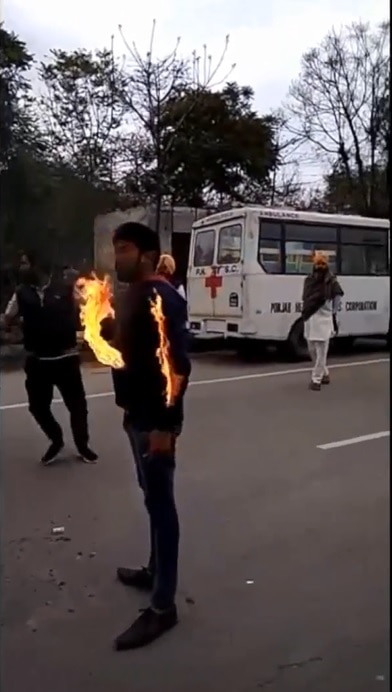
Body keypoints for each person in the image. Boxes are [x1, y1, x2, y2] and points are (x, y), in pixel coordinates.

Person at [101, 222, 191, 651]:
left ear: (148, 254)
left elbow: (176, 369)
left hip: (154, 424)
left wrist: (165, 426)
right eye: (115, 249)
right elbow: (130, 349)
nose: (116, 257)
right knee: (152, 502)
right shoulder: (134, 294)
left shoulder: (163, 297)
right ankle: (155, 571)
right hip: (135, 416)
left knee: (162, 505)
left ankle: (162, 607)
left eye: (124, 249)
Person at [4, 252, 97, 464]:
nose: (22, 267)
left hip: (66, 359)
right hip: (38, 362)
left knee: (77, 406)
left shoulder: (65, 289)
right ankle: (56, 440)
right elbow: (8, 318)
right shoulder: (21, 293)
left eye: (26, 263)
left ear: (38, 266)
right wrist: (12, 327)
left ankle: (83, 446)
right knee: (37, 407)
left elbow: (88, 306)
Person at [301, 251, 344, 391]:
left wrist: (332, 312)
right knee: (312, 350)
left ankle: (316, 379)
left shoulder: (332, 282)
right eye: (317, 263)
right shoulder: (309, 280)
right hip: (310, 318)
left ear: (326, 265)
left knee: (321, 352)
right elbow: (305, 298)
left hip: (324, 319)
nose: (319, 266)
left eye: (322, 263)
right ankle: (324, 373)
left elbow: (337, 298)